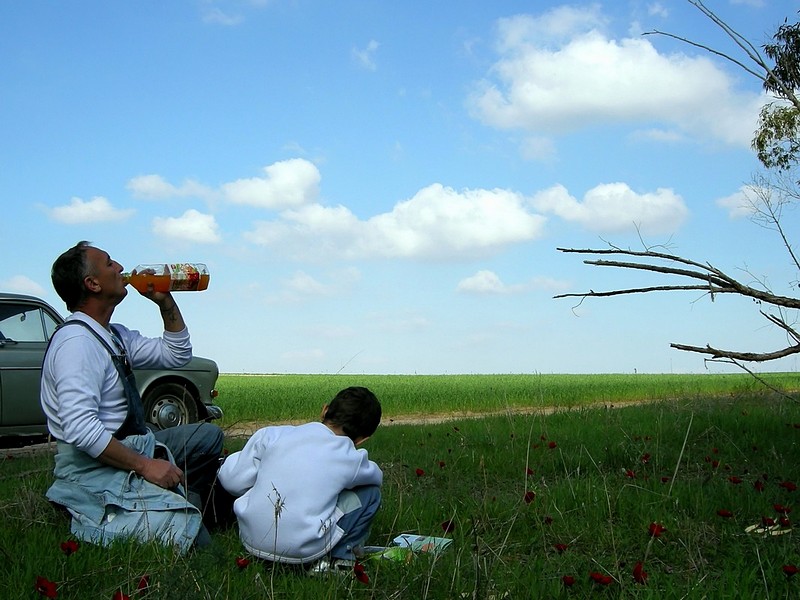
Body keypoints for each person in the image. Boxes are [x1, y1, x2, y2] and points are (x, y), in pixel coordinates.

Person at [40, 241, 224, 553]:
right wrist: (145, 466)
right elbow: (81, 430)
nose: (121, 268)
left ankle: (179, 494)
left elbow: (176, 354)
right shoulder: (77, 344)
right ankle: (167, 503)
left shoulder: (112, 335)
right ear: (93, 283)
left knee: (207, 436)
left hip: (131, 444)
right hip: (92, 464)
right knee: (193, 539)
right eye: (110, 263)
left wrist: (165, 303)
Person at [218, 386, 382, 570]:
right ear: (362, 440)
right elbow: (376, 478)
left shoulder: (272, 434)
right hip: (305, 549)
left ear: (324, 410)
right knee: (370, 494)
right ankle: (339, 558)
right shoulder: (351, 457)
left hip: (250, 540)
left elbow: (232, 480)